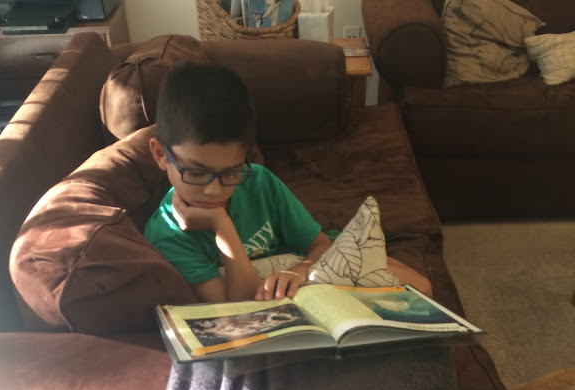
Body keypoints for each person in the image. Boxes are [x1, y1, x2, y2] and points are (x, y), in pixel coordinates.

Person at [144, 61, 431, 303]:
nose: (214, 190)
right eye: (196, 173)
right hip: (271, 307)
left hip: (309, 275)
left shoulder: (259, 182)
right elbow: (237, 306)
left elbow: (319, 246)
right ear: (160, 154)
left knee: (420, 288)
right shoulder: (168, 236)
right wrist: (222, 226)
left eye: (231, 172)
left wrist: (299, 270)